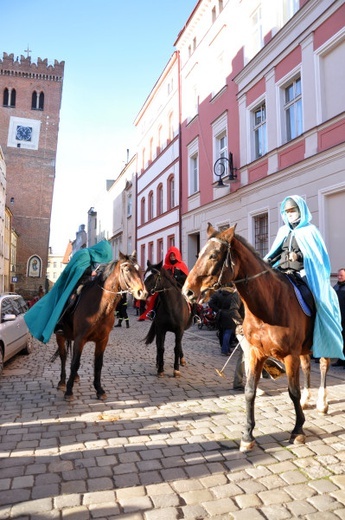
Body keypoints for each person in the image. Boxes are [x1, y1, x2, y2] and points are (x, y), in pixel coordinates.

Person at [265, 195, 344, 361]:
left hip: (303, 272)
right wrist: (266, 261)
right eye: (286, 211)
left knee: (317, 299)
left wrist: (299, 255)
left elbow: (316, 256)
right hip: (283, 272)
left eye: (292, 210)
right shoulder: (283, 231)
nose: (289, 214)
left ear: (300, 210)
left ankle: (318, 335)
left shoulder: (310, 231)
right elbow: (276, 252)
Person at [24, 240, 113, 344]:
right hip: (74, 284)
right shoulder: (83, 254)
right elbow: (75, 269)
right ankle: (60, 324)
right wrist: (90, 272)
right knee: (70, 300)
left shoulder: (91, 258)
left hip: (86, 283)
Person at [139, 246, 189, 320]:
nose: (172, 257)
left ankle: (194, 314)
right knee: (157, 297)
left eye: (173, 255)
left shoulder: (182, 265)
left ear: (177, 255)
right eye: (171, 255)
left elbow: (186, 277)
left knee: (189, 298)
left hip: (179, 286)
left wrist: (176, 278)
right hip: (167, 288)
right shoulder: (165, 266)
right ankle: (153, 312)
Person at [209, 287, 240, 356]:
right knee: (228, 332)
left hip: (220, 314)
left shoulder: (218, 294)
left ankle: (225, 348)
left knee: (222, 332)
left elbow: (210, 303)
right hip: (230, 314)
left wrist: (217, 310)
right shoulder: (234, 295)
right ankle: (225, 350)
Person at [332, 268, 345, 367]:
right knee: (340, 339)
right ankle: (340, 360)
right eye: (338, 275)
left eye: (341, 275)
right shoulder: (335, 287)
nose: (339, 277)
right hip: (338, 318)